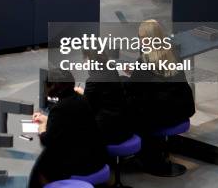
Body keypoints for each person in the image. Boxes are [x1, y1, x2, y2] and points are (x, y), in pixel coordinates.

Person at [126, 20, 195, 172]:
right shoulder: (174, 53)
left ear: (147, 39)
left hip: (161, 116)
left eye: (141, 37)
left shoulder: (144, 61)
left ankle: (144, 157)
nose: (139, 40)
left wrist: (129, 77)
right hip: (181, 110)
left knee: (129, 106)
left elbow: (131, 87)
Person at [29, 69, 108, 187]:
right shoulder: (82, 99)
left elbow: (47, 140)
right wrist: (48, 119)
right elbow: (70, 124)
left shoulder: (60, 108)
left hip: (82, 166)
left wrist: (42, 129)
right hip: (97, 159)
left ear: (54, 87)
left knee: (42, 166)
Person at [76, 52, 134, 145]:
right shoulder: (112, 70)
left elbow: (87, 109)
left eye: (84, 58)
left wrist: (80, 94)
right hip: (124, 128)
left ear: (90, 59)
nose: (83, 62)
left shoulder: (92, 80)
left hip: (108, 133)